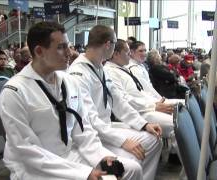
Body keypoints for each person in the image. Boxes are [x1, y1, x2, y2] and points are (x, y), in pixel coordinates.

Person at [0, 21, 142, 180]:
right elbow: (25, 149)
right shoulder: (15, 92)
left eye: (68, 46)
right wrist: (84, 173)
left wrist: (100, 156)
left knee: (131, 169)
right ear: (39, 51)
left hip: (70, 154)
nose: (70, 52)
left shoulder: (69, 82)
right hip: (35, 167)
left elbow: (83, 128)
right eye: (61, 47)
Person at [69, 25, 162, 180]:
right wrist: (123, 141)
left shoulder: (100, 67)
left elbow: (118, 101)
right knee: (132, 160)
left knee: (154, 140)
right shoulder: (78, 73)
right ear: (108, 45)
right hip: (91, 134)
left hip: (106, 128)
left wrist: (143, 124)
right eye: (114, 44)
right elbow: (89, 119)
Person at [104, 39, 174, 138]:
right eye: (128, 52)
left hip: (144, 107)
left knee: (180, 115)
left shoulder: (123, 69)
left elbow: (140, 92)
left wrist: (156, 102)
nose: (130, 55)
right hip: (136, 112)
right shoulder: (110, 72)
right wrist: (153, 106)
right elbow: (123, 99)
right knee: (177, 125)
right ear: (116, 54)